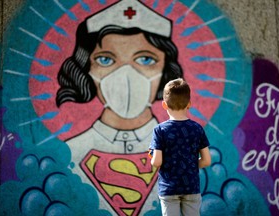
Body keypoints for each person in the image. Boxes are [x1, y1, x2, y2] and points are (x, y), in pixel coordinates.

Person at [55, 0, 184, 215]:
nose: (126, 75)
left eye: (145, 59)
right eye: (105, 59)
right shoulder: (69, 155)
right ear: (86, 68)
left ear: (165, 70)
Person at [149, 78, 211, 216]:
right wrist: (188, 165)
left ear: (164, 105)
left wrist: (153, 157)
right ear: (189, 104)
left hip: (169, 189)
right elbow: (206, 160)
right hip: (191, 188)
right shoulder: (197, 128)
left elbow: (156, 162)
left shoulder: (159, 130)